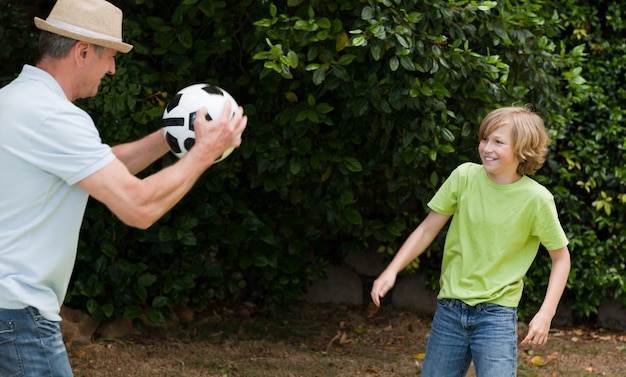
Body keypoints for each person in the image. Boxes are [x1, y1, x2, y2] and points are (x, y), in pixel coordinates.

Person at [0, 0, 247, 375]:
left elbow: (100, 166)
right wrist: (203, 154)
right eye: (110, 56)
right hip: (17, 318)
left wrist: (172, 135)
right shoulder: (56, 117)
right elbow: (139, 207)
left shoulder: (14, 101)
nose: (113, 69)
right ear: (83, 52)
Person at [370, 106, 571, 377]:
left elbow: (561, 258)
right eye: (484, 139)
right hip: (450, 310)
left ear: (523, 150)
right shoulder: (464, 177)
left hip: (496, 316)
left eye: (498, 142)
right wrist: (391, 270)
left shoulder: (537, 199)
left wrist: (546, 313)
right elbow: (427, 229)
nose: (486, 147)